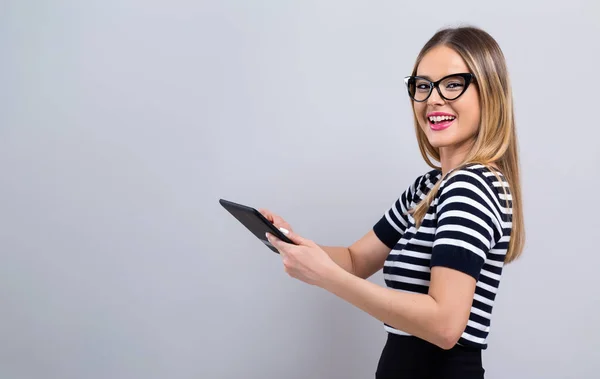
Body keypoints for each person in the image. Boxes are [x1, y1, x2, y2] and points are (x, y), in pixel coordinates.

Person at [261, 25, 524, 379]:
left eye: (452, 84)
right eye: (423, 85)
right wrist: (289, 242)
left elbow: (445, 325)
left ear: (489, 92)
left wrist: (326, 277)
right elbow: (355, 260)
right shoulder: (430, 186)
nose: (433, 98)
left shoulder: (471, 187)